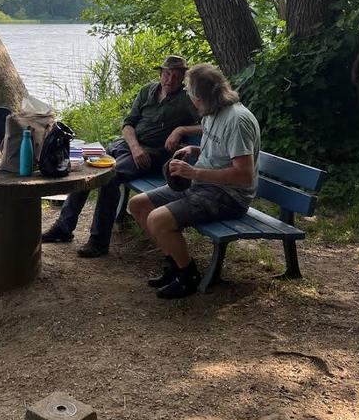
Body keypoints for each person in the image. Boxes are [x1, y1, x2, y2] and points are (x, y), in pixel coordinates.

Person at [41, 55, 201, 257]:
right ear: (161, 73)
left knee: (109, 178)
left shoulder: (186, 100)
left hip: (152, 155)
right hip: (127, 146)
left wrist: (180, 129)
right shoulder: (147, 91)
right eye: (167, 74)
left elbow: (208, 124)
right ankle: (63, 228)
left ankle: (98, 242)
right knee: (85, 169)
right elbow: (128, 124)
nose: (170, 80)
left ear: (183, 78)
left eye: (177, 76)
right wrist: (134, 146)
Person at [128, 63, 261, 299]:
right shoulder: (212, 112)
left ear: (202, 96)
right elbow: (219, 151)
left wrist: (195, 173)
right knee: (139, 205)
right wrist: (194, 149)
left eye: (191, 93)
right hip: (203, 185)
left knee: (158, 219)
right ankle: (174, 263)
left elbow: (244, 174)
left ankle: (187, 275)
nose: (189, 98)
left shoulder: (237, 121)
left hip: (229, 195)